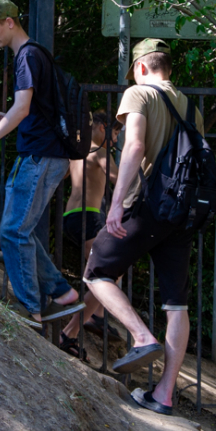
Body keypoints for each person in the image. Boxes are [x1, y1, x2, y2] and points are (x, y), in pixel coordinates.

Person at [83, 39, 203, 415]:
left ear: (140, 68)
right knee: (176, 303)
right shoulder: (190, 106)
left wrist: (116, 204)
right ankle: (163, 395)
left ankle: (140, 335)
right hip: (182, 214)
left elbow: (133, 146)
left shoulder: (139, 94)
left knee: (97, 272)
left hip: (148, 205)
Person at [0, 0, 84, 328]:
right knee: (21, 230)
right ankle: (61, 292)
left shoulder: (27, 56)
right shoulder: (36, 55)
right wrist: (16, 118)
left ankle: (29, 309)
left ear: (10, 22)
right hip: (44, 153)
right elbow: (32, 110)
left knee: (13, 231)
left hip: (41, 156)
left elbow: (22, 108)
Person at [58, 110, 120, 358]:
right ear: (103, 128)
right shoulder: (101, 152)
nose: (116, 140)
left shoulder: (78, 151)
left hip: (71, 217)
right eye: (116, 133)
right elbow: (119, 178)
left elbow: (62, 174)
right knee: (107, 275)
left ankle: (98, 315)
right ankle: (70, 332)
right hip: (89, 217)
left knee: (106, 272)